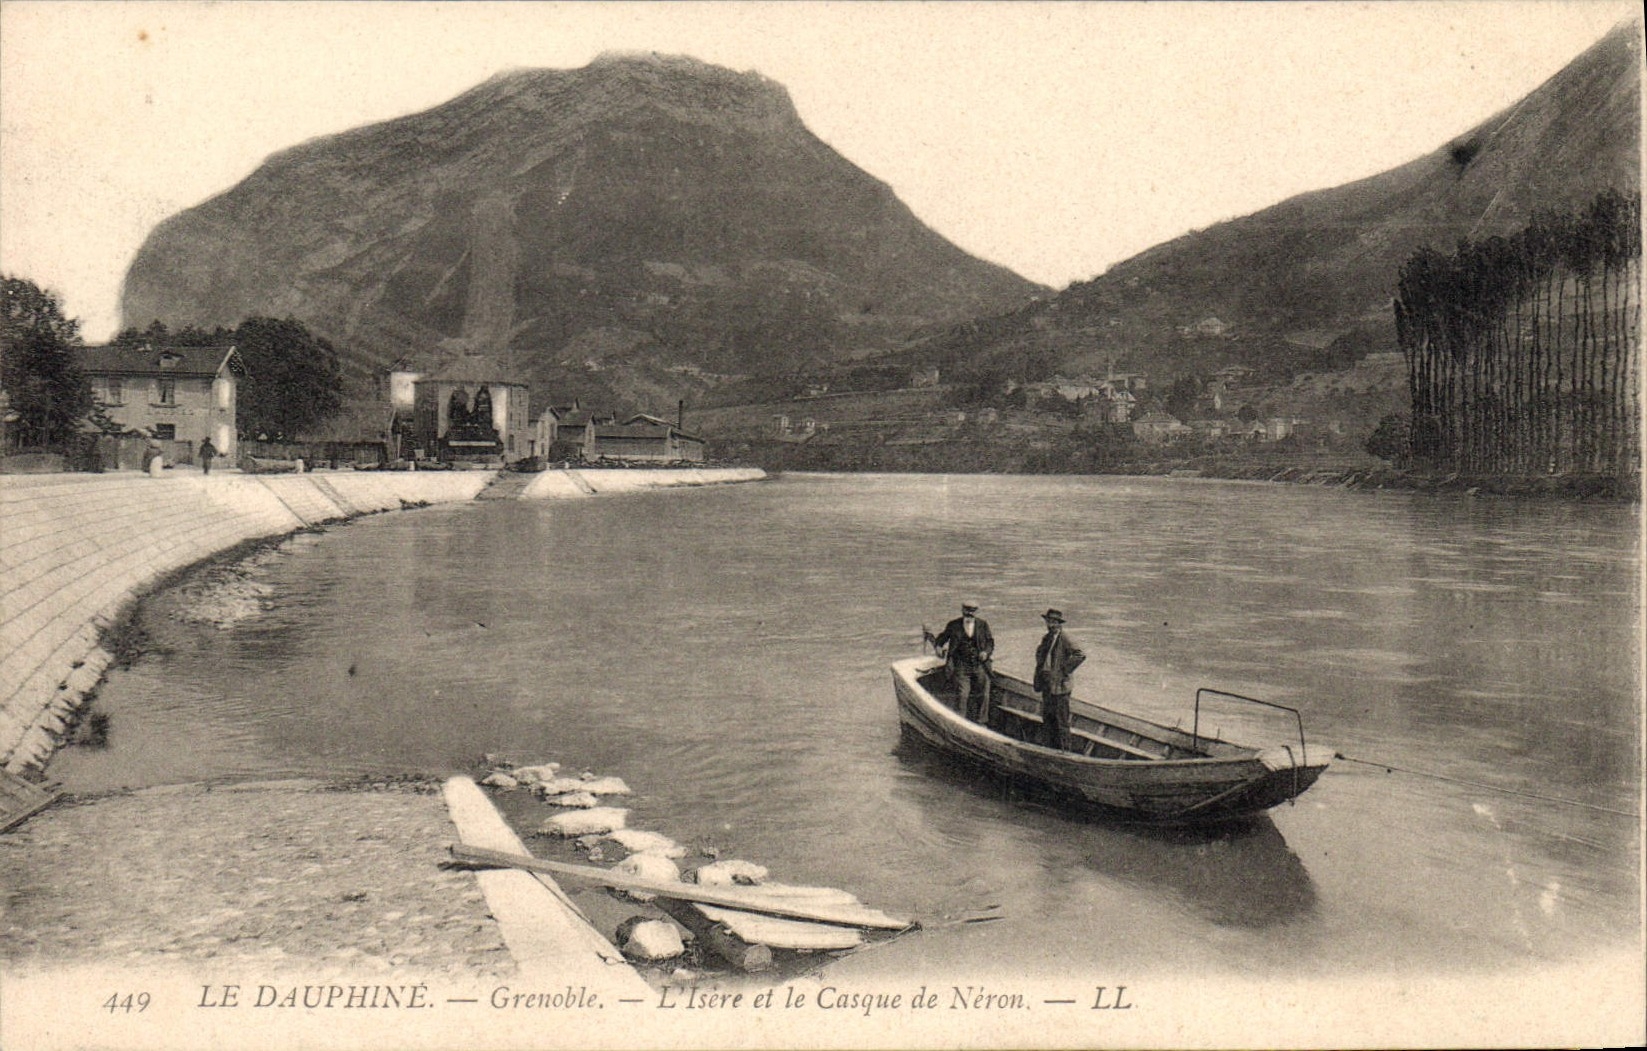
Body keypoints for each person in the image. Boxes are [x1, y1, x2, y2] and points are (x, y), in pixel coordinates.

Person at [932, 601, 995, 724]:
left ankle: (981, 722)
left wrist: (986, 652)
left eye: (973, 611)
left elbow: (990, 642)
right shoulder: (953, 625)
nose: (970, 613)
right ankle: (960, 722)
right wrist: (938, 646)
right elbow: (942, 638)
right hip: (961, 665)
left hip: (980, 664)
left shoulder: (983, 625)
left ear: (976, 612)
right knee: (962, 694)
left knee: (984, 692)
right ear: (962, 610)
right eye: (967, 610)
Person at [1033, 608, 1086, 752]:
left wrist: (1064, 670)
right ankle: (1049, 748)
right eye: (1048, 621)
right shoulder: (1047, 638)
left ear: (1059, 623)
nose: (1050, 625)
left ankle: (1065, 751)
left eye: (1053, 622)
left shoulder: (1065, 638)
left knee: (1061, 720)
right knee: (1048, 717)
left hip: (1061, 686)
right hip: (1047, 684)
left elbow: (1080, 655)